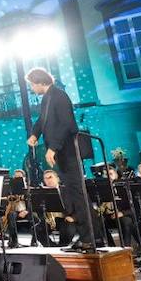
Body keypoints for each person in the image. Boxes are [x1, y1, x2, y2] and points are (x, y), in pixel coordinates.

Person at [25, 68, 96, 250]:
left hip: (68, 152)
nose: (32, 88)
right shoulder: (47, 98)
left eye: (32, 84)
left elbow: (67, 124)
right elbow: (42, 120)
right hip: (61, 152)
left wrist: (53, 147)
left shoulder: (59, 95)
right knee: (75, 193)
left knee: (78, 195)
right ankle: (89, 237)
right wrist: (34, 134)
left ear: (40, 82)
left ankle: (90, 238)